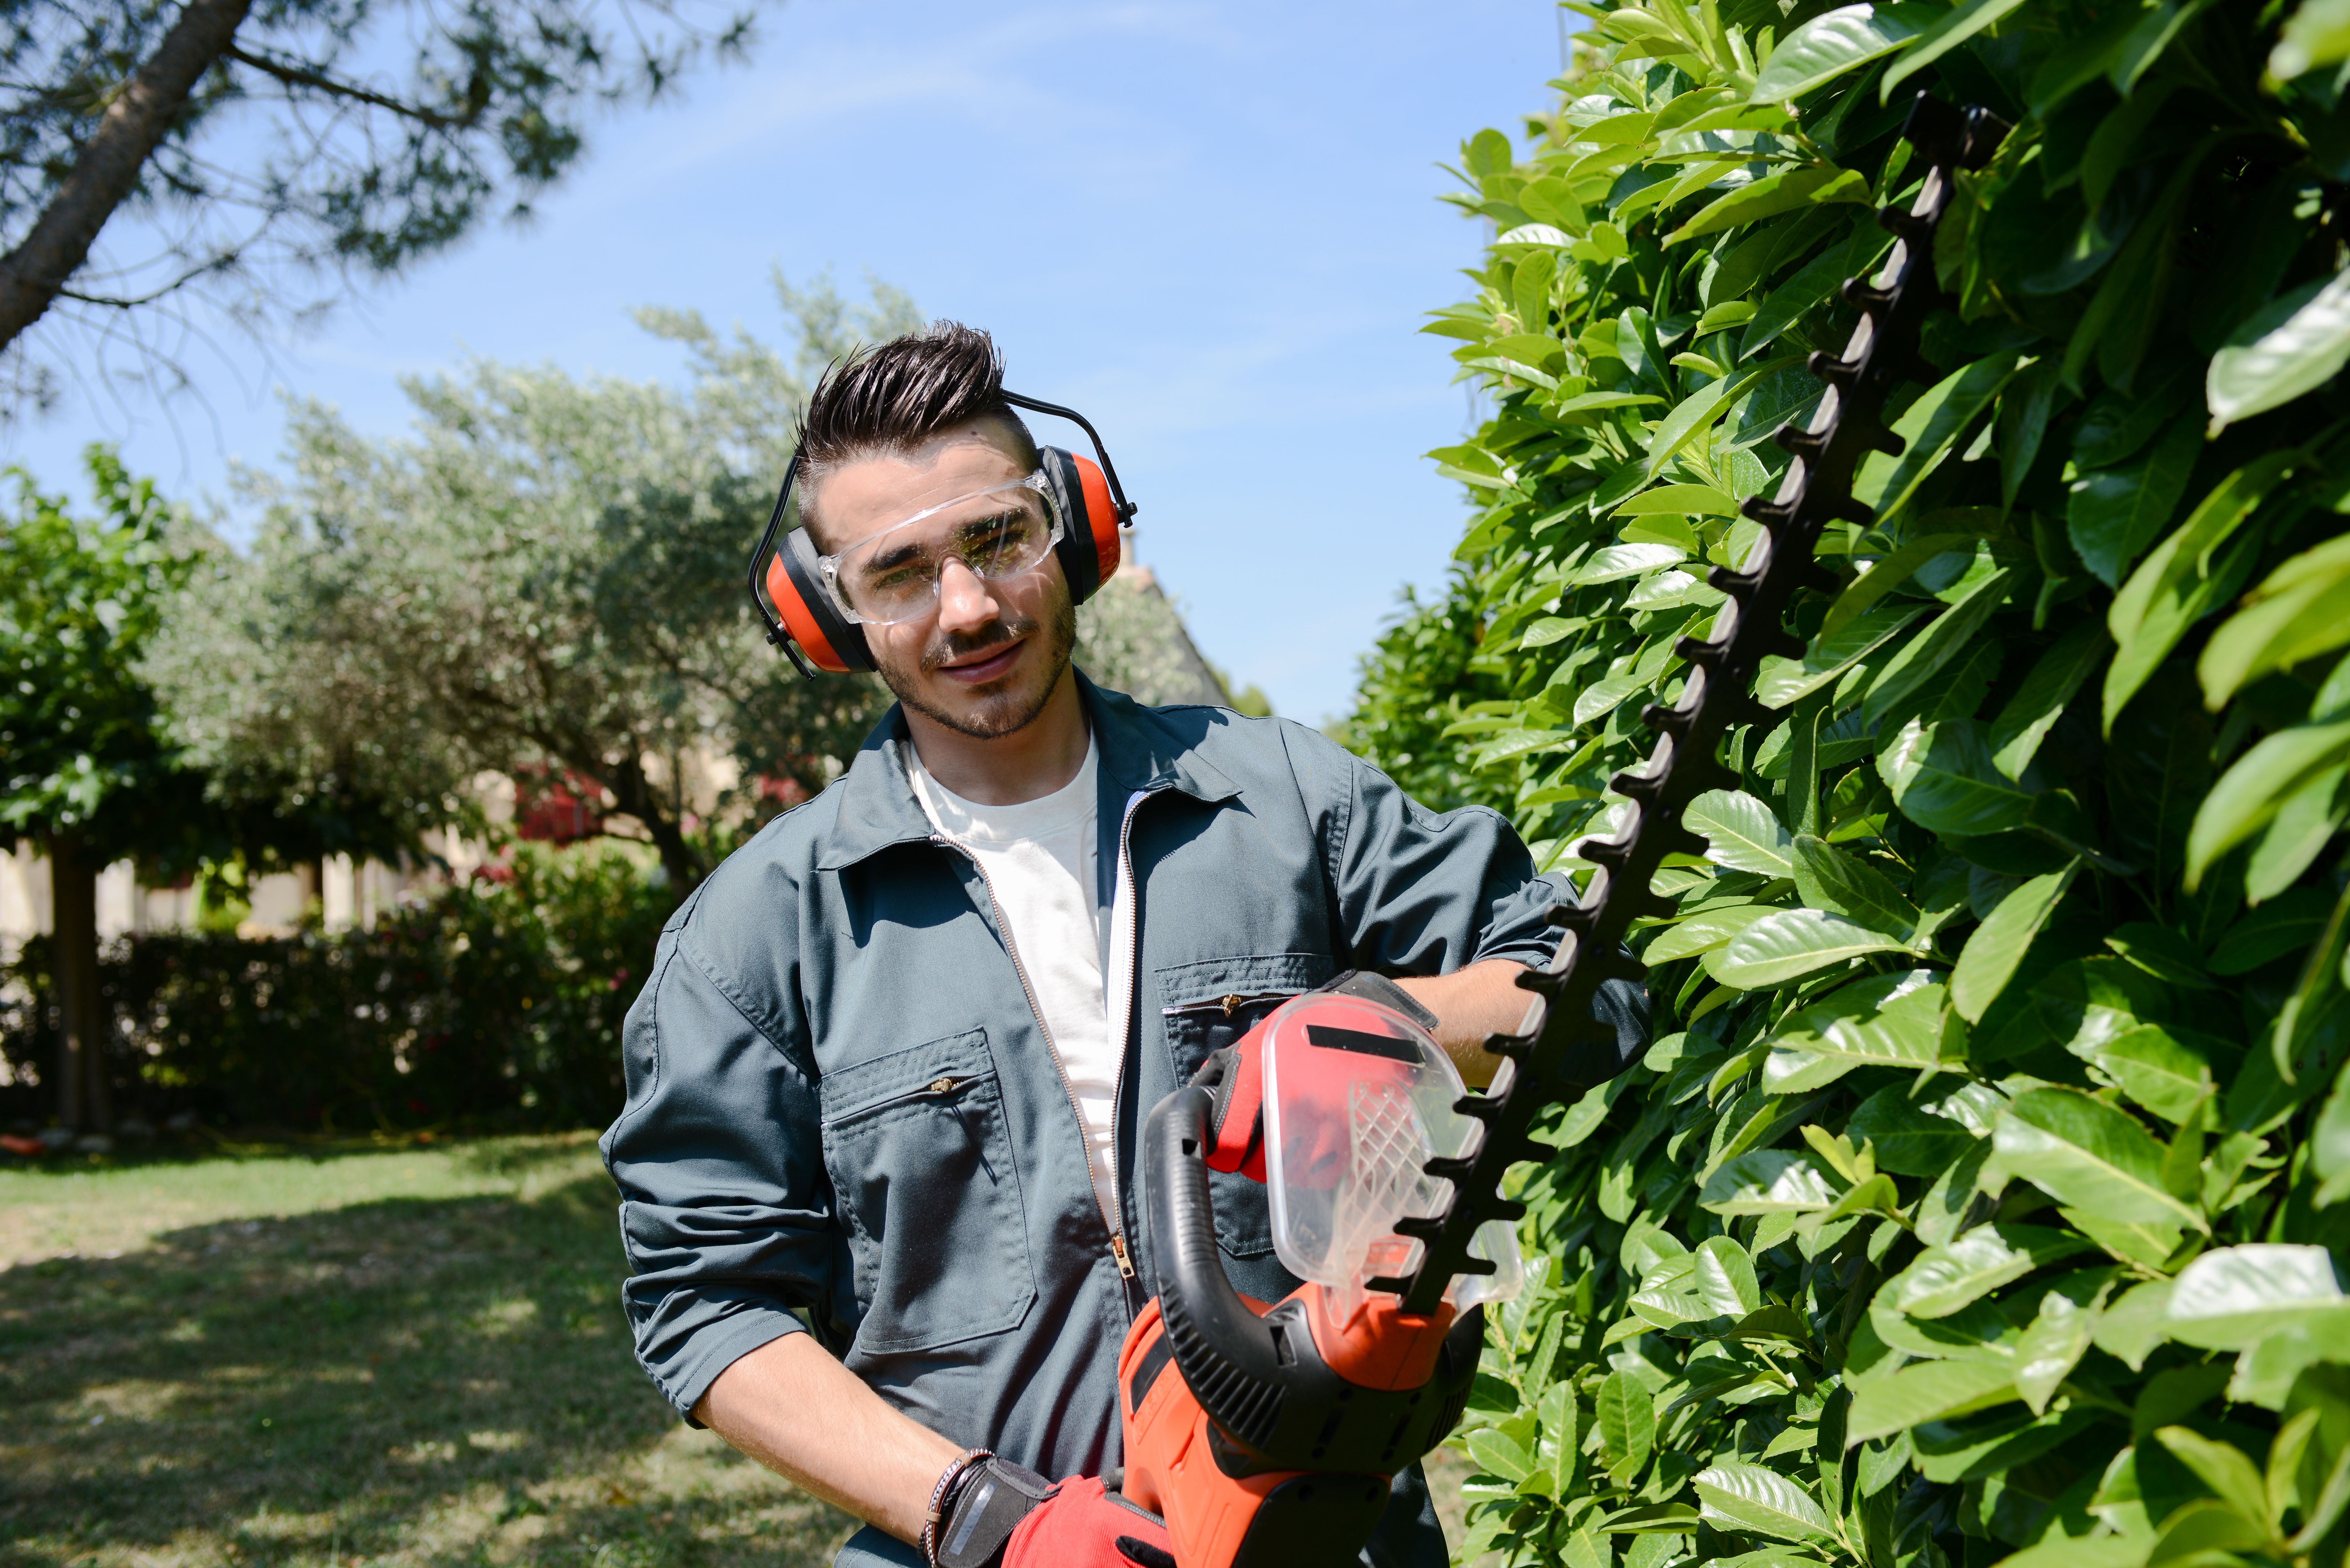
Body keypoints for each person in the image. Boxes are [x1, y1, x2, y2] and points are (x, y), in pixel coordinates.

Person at [599, 323, 1645, 1568]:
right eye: (900, 573)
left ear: (1076, 527)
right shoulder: (754, 937)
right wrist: (988, 1516)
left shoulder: (1285, 799)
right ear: (830, 615)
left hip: (1326, 1526)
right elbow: (708, 1305)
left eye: (996, 538)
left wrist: (1390, 1025)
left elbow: (1586, 981)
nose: (969, 607)